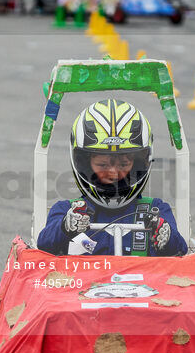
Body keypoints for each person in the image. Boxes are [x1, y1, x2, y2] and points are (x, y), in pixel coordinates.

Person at [37, 99, 187, 257]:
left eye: (123, 164)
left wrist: (166, 236)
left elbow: (180, 250)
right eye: (102, 165)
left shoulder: (156, 210)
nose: (114, 173)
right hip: (84, 280)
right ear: (84, 164)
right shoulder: (66, 210)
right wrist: (65, 227)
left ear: (137, 164)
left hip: (142, 281)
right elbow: (43, 245)